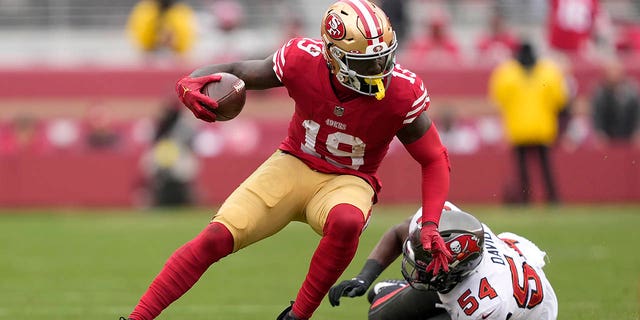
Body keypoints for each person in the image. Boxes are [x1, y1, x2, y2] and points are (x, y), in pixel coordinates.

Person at [120, 1, 452, 319]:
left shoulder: (401, 92)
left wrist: (431, 223)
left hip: (349, 179)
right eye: (366, 61)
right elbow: (238, 70)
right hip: (292, 162)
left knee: (347, 221)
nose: (379, 69)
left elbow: (434, 158)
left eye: (383, 57)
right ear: (334, 57)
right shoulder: (301, 59)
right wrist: (188, 82)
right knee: (215, 238)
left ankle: (298, 315)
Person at [329, 202, 558, 320]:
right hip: (467, 282)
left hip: (520, 314)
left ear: (453, 270)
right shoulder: (447, 219)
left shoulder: (484, 303)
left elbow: (483, 303)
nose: (416, 271)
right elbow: (399, 232)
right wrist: (364, 277)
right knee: (379, 316)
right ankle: (396, 290)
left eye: (424, 267)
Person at [489, 40, 568, 204]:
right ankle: (552, 199)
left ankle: (526, 200)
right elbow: (560, 99)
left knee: (523, 169)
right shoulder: (549, 72)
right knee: (545, 168)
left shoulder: (506, 73)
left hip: (518, 128)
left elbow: (498, 98)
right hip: (542, 127)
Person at [591, 56, 640, 147]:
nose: (613, 74)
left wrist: (637, 131)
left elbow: (637, 112)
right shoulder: (600, 92)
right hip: (608, 136)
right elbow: (597, 114)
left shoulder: (632, 90)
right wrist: (599, 132)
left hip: (628, 134)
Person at [126, 0, 196, 57]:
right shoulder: (146, 10)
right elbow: (140, 40)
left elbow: (186, 42)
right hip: (149, 56)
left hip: (176, 57)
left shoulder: (180, 11)